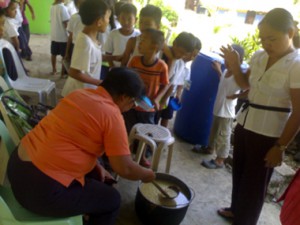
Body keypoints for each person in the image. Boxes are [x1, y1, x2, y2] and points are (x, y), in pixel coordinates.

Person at [7, 67, 155, 225]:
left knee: (99, 177)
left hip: (17, 169)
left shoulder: (79, 94)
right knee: (112, 200)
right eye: (132, 103)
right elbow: (124, 168)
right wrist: (146, 174)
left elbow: (72, 139)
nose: (131, 107)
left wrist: (95, 165)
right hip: (39, 193)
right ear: (123, 97)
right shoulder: (112, 115)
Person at [217, 8, 300, 225]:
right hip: (246, 123)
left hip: (269, 134)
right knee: (240, 173)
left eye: (272, 38)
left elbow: (298, 113)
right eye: (262, 38)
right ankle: (236, 210)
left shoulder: (296, 64)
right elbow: (247, 85)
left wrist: (280, 147)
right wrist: (234, 66)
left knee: (255, 184)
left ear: (290, 32)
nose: (265, 43)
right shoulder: (259, 56)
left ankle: (245, 220)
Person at [123, 28, 168, 167]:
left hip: (148, 108)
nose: (139, 43)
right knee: (128, 131)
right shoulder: (134, 60)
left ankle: (141, 156)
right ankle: (127, 155)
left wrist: (158, 98)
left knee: (145, 134)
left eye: (143, 41)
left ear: (154, 46)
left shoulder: (161, 66)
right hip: (131, 104)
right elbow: (128, 77)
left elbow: (165, 85)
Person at [198, 44, 246, 169]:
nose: (227, 62)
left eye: (231, 60)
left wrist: (238, 96)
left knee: (223, 136)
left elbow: (247, 88)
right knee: (214, 132)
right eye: (226, 59)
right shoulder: (225, 71)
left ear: (239, 61)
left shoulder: (238, 76)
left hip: (226, 113)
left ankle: (220, 160)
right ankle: (210, 148)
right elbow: (223, 82)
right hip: (218, 108)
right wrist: (219, 70)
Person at [61, 0, 109, 97]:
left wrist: (115, 58)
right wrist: (99, 82)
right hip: (78, 93)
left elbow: (94, 58)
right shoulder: (85, 42)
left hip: (85, 91)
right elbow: (74, 72)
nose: (108, 21)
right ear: (99, 22)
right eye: (108, 18)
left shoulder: (91, 39)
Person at [155, 32, 197, 128]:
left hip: (165, 96)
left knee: (161, 118)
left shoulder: (182, 65)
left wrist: (178, 93)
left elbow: (175, 84)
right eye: (180, 51)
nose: (181, 55)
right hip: (152, 91)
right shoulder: (159, 52)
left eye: (184, 54)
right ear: (174, 43)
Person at [104, 2, 139, 68]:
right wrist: (112, 67)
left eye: (129, 19)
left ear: (136, 20)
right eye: (123, 18)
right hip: (115, 69)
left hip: (132, 71)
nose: (126, 22)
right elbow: (108, 53)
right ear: (118, 18)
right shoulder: (113, 33)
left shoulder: (138, 35)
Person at [50, 0, 70, 75]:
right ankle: (62, 73)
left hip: (54, 35)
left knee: (53, 54)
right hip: (63, 37)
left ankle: (54, 70)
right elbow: (66, 23)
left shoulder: (52, 7)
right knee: (64, 56)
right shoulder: (63, 8)